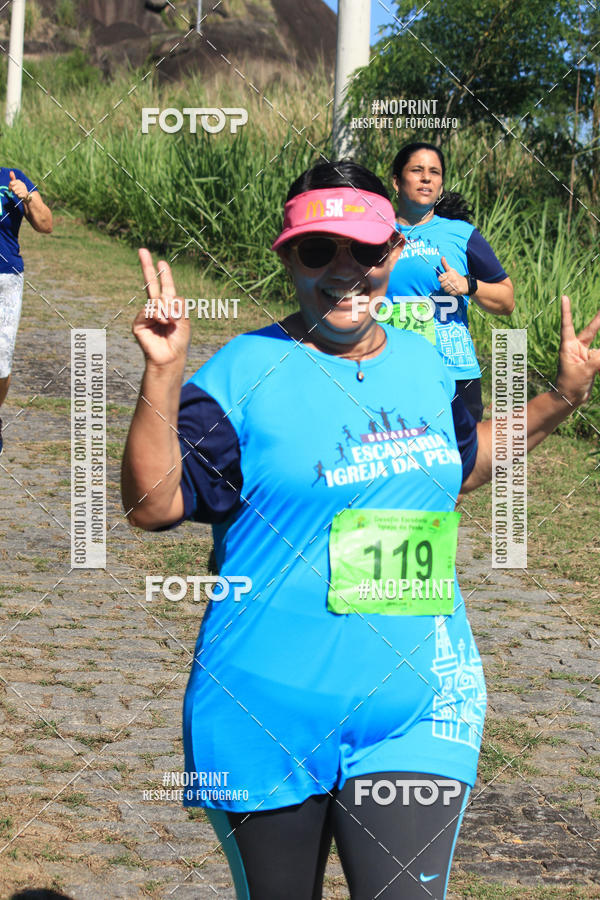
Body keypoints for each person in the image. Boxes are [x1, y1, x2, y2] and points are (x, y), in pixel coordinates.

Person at [121, 160, 600, 900]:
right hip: (265, 710)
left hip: (416, 708)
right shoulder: (244, 372)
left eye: (366, 251)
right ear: (287, 257)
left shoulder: (426, 363)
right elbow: (153, 504)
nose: (344, 271)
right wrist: (162, 374)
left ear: (394, 254)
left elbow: (462, 464)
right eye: (319, 251)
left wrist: (561, 400)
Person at [386, 142, 514, 421]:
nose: (426, 178)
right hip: (388, 370)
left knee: (461, 463)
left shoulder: (461, 234)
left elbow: (507, 300)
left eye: (434, 172)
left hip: (454, 374)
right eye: (417, 170)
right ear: (396, 181)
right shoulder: (374, 234)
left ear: (441, 186)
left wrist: (470, 285)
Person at [0, 167, 53, 454]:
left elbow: (46, 224)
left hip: (6, 279)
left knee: (1, 362)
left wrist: (28, 198)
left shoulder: (12, 178)